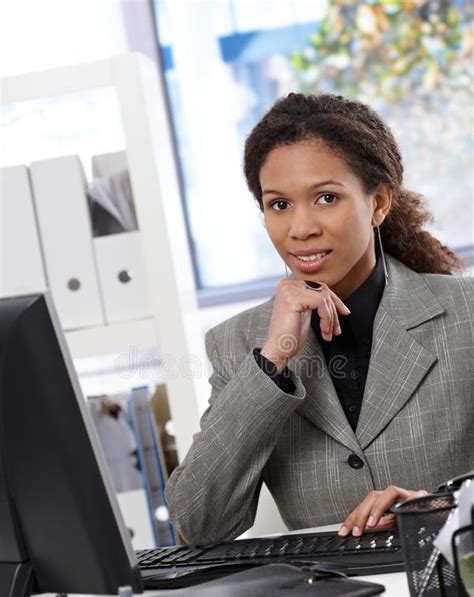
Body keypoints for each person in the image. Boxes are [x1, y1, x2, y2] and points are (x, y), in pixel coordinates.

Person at [165, 93, 473, 545]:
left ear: (379, 203)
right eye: (279, 205)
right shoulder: (240, 344)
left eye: (326, 197)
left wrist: (442, 507)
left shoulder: (465, 314)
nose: (300, 228)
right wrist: (273, 359)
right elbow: (198, 525)